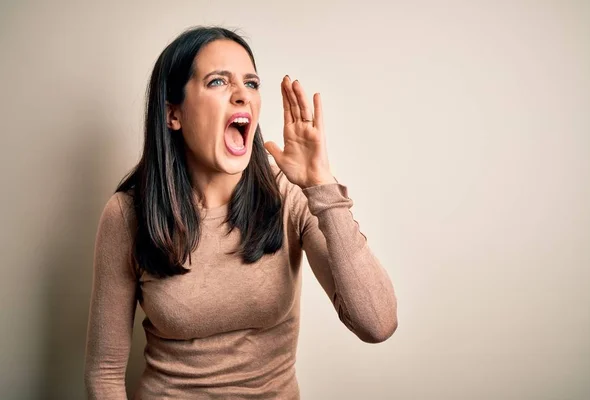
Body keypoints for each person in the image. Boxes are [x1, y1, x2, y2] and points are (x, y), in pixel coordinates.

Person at [83, 25, 398, 399]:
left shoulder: (291, 194)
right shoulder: (128, 215)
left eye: (251, 83)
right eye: (218, 82)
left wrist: (321, 186)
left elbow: (377, 324)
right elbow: (104, 372)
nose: (242, 96)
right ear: (173, 114)